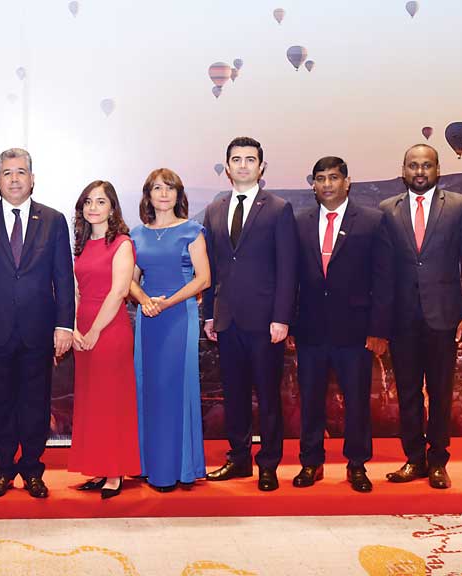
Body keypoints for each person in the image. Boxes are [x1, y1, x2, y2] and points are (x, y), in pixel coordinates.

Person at [0, 148, 75, 499]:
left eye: (21, 172)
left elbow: (63, 278)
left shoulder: (53, 220)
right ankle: (4, 470)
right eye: (7, 173)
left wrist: (64, 326)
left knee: (35, 405)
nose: (14, 179)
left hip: (38, 331)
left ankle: (33, 470)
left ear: (32, 179)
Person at [379, 144, 462, 489]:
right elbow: (382, 270)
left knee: (440, 393)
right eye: (413, 165)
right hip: (402, 320)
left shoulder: (460, 206)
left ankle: (438, 461)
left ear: (438, 170)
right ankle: (414, 459)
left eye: (426, 165)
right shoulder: (387, 210)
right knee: (407, 393)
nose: (420, 171)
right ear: (403, 170)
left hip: (444, 317)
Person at [292, 156, 393, 493]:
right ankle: (311, 462)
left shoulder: (373, 221)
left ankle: (357, 465)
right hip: (310, 329)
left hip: (356, 330)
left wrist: (378, 330)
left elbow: (383, 280)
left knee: (357, 401)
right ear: (313, 185)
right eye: (320, 178)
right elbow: (291, 278)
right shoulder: (300, 222)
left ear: (347, 182)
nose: (327, 184)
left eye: (334, 177)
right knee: (310, 399)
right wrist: (290, 323)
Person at [202, 136, 297, 492]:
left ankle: (268, 464)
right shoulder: (215, 209)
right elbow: (212, 268)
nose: (243, 165)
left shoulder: (279, 208)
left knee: (268, 396)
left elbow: (288, 269)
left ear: (261, 166)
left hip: (266, 321)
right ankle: (239, 458)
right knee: (235, 394)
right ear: (227, 167)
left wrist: (282, 317)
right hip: (227, 320)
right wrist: (210, 314)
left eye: (250, 159)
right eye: (237, 159)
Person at [129, 168, 210, 492]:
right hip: (148, 319)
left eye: (170, 188)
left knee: (175, 387)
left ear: (179, 194)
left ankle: (178, 468)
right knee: (149, 388)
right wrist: (145, 301)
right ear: (148, 195)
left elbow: (203, 279)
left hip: (179, 318)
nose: (163, 194)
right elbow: (129, 280)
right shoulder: (137, 234)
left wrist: (166, 303)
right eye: (157, 188)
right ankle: (148, 465)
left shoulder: (192, 231)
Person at [68, 180, 141, 499]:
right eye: (88, 202)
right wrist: (73, 328)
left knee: (111, 402)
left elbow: (119, 291)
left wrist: (95, 331)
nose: (93, 207)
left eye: (100, 201)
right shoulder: (82, 244)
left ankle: (115, 471)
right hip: (82, 329)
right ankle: (98, 468)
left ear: (112, 208)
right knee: (92, 403)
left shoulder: (122, 243)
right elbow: (74, 290)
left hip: (109, 330)